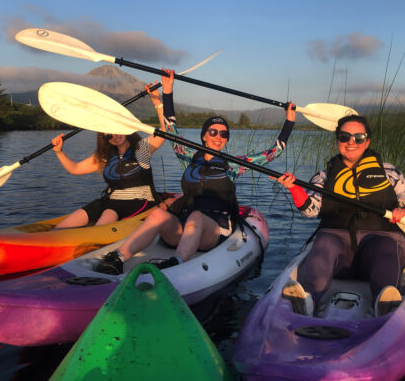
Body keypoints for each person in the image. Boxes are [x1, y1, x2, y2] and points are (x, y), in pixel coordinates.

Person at [95, 69, 296, 275]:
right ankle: (118, 258)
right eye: (213, 132)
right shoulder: (188, 155)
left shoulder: (234, 164)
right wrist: (168, 91)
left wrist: (289, 121)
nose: (218, 137)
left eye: (224, 134)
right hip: (186, 227)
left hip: (215, 229)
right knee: (157, 214)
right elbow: (171, 129)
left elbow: (273, 152)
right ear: (204, 136)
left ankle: (176, 263)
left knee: (197, 216)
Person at [274, 114, 405, 316]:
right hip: (337, 246)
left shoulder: (390, 172)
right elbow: (310, 210)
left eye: (358, 137)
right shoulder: (323, 176)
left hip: (380, 242)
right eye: (344, 137)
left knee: (386, 247)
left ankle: (384, 305)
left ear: (367, 141)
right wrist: (294, 189)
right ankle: (307, 301)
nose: (351, 142)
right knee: (324, 244)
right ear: (337, 140)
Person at [50, 82, 167, 229]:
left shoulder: (142, 148)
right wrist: (59, 151)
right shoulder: (105, 156)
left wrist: (157, 101)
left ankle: (94, 237)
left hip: (140, 201)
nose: (115, 136)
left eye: (116, 130)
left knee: (110, 212)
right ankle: (55, 234)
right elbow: (75, 168)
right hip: (110, 200)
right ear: (103, 137)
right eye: (109, 134)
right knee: (87, 212)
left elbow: (165, 129)